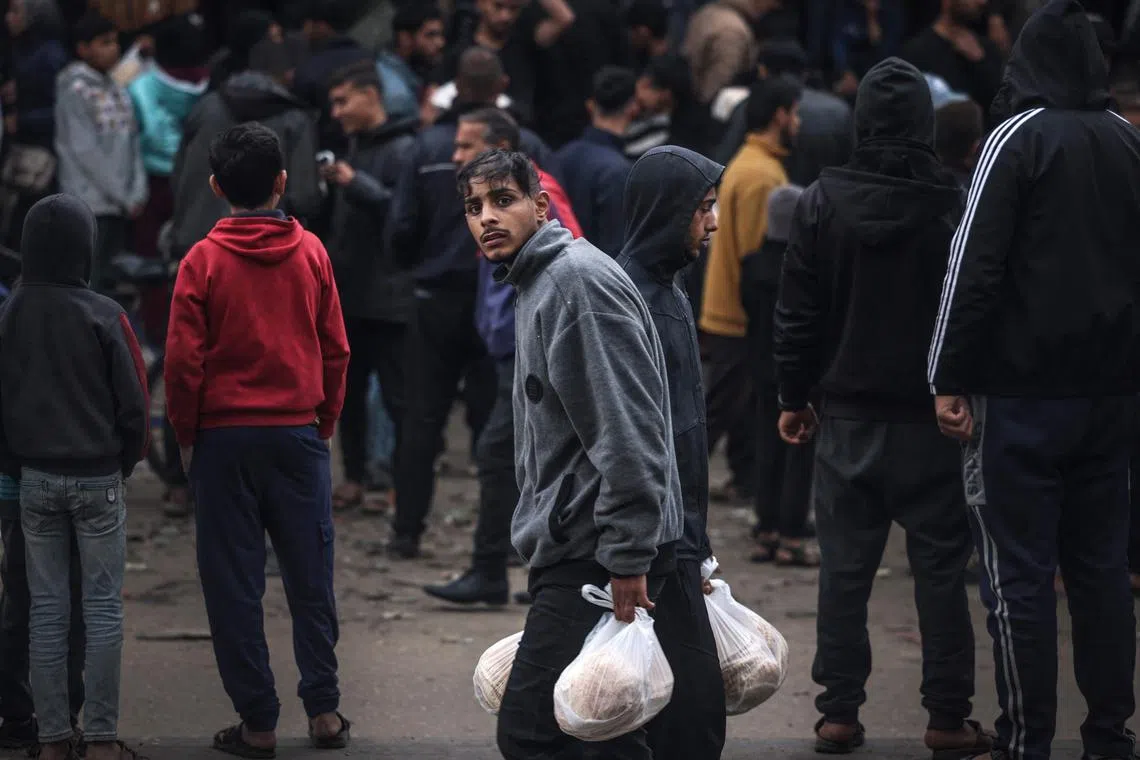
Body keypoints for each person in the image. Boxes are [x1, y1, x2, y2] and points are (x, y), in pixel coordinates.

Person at [927, 3, 1140, 759]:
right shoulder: (1125, 140)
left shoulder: (1015, 138)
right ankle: (1110, 732)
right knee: (1102, 571)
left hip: (1020, 398)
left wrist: (947, 374)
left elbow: (971, 266)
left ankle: (1028, 739)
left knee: (1018, 577)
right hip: (1112, 396)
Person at [775, 57, 993, 756]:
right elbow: (974, 308)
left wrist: (792, 396)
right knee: (940, 576)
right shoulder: (955, 202)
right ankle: (947, 716)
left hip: (845, 421)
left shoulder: (820, 201)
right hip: (935, 420)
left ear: (862, 120)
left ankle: (838, 712)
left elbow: (797, 313)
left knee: (843, 575)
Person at [461, 148, 681, 760]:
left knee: (533, 730)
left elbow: (630, 431)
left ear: (540, 204)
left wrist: (628, 555)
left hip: (593, 550)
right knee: (598, 728)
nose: (487, 219)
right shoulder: (538, 280)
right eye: (474, 208)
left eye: (503, 201)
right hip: (583, 540)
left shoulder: (573, 284)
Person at [164, 123, 352, 758]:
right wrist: (321, 424)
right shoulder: (312, 253)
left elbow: (183, 364)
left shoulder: (201, 261)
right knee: (310, 574)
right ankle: (324, 711)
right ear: (282, 181)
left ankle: (259, 723)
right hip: (297, 434)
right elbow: (336, 349)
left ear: (217, 188)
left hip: (222, 440)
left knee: (233, 582)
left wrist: (186, 436)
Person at [385, 46, 551, 559]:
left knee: (431, 421)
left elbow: (400, 229)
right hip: (496, 303)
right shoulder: (526, 154)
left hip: (461, 301)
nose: (484, 217)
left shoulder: (425, 148)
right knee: (497, 426)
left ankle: (411, 533)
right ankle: (498, 543)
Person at [0, 194, 150, 760]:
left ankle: (53, 738)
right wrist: (123, 461)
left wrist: (13, 463)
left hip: (33, 480)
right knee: (103, 607)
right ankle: (104, 738)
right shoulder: (105, 313)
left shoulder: (8, 314)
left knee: (43, 609)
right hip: (97, 480)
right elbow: (134, 404)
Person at [423, 108, 581, 606]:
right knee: (517, 456)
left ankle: (500, 570)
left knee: (509, 453)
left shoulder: (539, 195)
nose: (456, 155)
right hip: (510, 351)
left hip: (529, 353)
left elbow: (566, 260)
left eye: (467, 146)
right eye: (476, 207)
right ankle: (533, 568)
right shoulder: (493, 202)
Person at [617, 145, 727, 760]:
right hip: (653, 543)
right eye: (702, 209)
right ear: (666, 212)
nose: (712, 222)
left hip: (678, 538)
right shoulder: (633, 301)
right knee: (688, 715)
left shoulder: (670, 290)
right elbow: (632, 436)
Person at [700, 74, 801, 504]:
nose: (799, 122)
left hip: (727, 307)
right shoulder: (762, 175)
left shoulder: (753, 162)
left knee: (732, 405)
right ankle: (670, 482)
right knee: (718, 408)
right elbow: (761, 260)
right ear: (780, 116)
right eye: (795, 113)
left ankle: (745, 480)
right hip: (737, 314)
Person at [323, 62, 417, 513]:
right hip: (350, 294)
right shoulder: (355, 146)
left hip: (390, 296)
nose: (337, 112)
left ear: (370, 95)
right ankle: (356, 476)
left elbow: (402, 216)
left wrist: (353, 183)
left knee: (400, 397)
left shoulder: (404, 149)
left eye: (344, 101)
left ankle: (402, 483)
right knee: (349, 395)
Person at [168, 36, 321, 260]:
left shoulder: (207, 106)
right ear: (288, 73)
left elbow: (177, 177)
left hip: (196, 243)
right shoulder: (294, 120)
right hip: (263, 250)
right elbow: (304, 197)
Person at [741, 184, 818, 566]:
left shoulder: (752, 266)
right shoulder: (804, 267)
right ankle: (792, 534)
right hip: (797, 371)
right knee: (799, 452)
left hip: (760, 369)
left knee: (766, 447)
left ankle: (765, 528)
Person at [54, 10, 148, 294]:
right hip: (90, 202)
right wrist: (121, 194)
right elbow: (84, 150)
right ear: (83, 49)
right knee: (88, 282)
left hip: (120, 203)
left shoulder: (118, 90)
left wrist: (136, 191)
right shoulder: (74, 88)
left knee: (110, 281)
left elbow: (133, 142)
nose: (114, 49)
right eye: (104, 42)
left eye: (115, 42)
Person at [555, 65, 639, 255]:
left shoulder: (560, 156)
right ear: (633, 107)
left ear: (591, 105)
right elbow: (617, 247)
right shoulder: (619, 170)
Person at [900, 0, 1005, 120]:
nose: (982, 2)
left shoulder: (987, 51)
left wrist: (980, 62)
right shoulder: (916, 52)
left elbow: (999, 107)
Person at [682, 0, 780, 103]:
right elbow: (717, 88)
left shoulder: (708, 12)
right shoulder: (732, 33)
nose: (775, 5)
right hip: (706, 106)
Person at [376, 4, 447, 124]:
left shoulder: (412, 71)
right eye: (430, 35)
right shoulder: (398, 96)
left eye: (440, 35)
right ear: (405, 38)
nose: (440, 43)